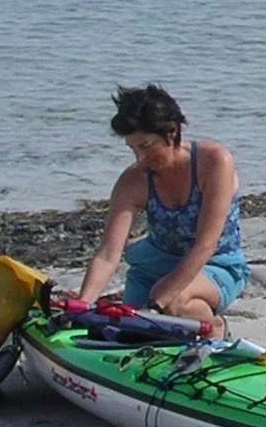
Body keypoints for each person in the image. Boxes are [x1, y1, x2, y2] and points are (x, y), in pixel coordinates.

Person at [79, 84, 248, 335]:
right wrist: (81, 306)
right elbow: (107, 254)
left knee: (175, 303)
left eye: (146, 146)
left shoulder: (213, 161)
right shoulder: (132, 181)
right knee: (126, 331)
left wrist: (158, 301)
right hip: (153, 267)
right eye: (132, 148)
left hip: (215, 264)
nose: (139, 158)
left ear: (171, 132)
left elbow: (205, 244)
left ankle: (215, 331)